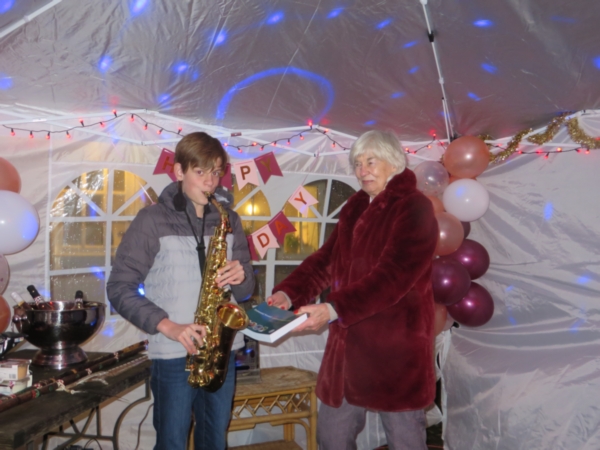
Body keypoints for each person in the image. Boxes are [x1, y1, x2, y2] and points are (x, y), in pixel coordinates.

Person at [267, 130, 439, 450]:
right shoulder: (355, 205)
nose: (362, 170)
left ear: (394, 162)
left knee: (405, 440)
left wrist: (333, 309)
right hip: (347, 350)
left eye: (370, 161)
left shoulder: (415, 207)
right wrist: (288, 294)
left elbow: (393, 276)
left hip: (395, 350)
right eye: (357, 163)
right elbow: (327, 260)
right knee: (331, 438)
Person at [107, 132, 254, 450]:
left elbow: (245, 292)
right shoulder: (151, 220)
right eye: (200, 172)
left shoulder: (230, 219)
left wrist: (241, 276)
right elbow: (119, 287)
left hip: (221, 350)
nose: (210, 182)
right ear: (179, 171)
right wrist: (167, 325)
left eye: (216, 172)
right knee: (172, 442)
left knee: (214, 441)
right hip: (175, 352)